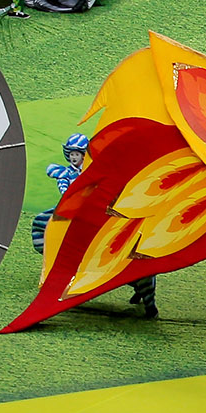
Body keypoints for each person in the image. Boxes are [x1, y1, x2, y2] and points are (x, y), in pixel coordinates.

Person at [32, 134, 158, 316]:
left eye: (78, 154)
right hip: (74, 212)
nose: (74, 158)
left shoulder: (99, 171)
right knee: (45, 226)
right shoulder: (68, 173)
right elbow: (65, 191)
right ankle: (64, 271)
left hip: (101, 213)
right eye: (72, 154)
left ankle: (142, 293)